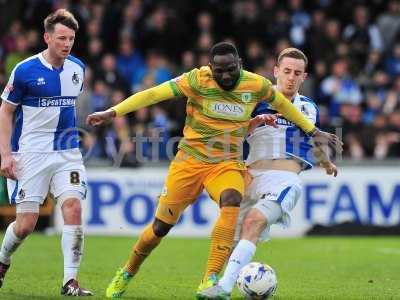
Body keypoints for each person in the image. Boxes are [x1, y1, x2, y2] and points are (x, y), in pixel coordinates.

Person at [86, 42, 340, 299]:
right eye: (220, 71)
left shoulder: (255, 86)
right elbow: (153, 94)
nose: (226, 76)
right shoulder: (196, 79)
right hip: (189, 162)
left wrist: (313, 132)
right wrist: (113, 112)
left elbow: (286, 107)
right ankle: (127, 272)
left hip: (226, 164)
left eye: (231, 70)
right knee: (160, 228)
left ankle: (210, 280)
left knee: (232, 200)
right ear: (210, 68)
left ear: (240, 64)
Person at [197, 48, 339, 300]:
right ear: (276, 72)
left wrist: (326, 163)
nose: (291, 77)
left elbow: (312, 138)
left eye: (297, 73)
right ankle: (222, 282)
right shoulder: (253, 100)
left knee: (253, 222)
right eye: (286, 71)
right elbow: (233, 134)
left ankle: (224, 289)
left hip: (285, 180)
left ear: (304, 76)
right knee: (227, 237)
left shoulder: (308, 107)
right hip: (250, 176)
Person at [0, 9, 92, 296]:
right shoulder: (25, 70)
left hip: (67, 153)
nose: (67, 44)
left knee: (73, 207)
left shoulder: (78, 68)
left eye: (71, 39)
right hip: (30, 153)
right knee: (26, 224)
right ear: (47, 37)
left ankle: (70, 281)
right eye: (62, 38)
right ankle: (2, 261)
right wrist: (4, 154)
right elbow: (5, 111)